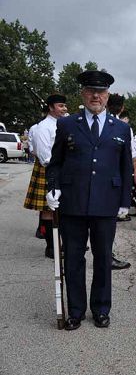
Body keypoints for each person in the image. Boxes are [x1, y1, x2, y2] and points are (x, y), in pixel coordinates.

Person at [46, 70, 133, 330]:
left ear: (107, 96)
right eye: (91, 91)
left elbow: (125, 166)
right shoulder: (67, 124)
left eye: (101, 92)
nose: (96, 96)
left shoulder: (122, 128)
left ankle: (101, 309)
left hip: (106, 203)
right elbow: (55, 164)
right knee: (73, 258)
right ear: (83, 94)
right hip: (73, 202)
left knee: (103, 257)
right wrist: (53, 187)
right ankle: (75, 311)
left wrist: (124, 201)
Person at [23, 94, 67, 258]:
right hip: (49, 169)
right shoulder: (43, 127)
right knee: (49, 210)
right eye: (60, 106)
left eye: (64, 106)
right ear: (51, 107)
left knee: (60, 209)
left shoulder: (62, 124)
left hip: (62, 169)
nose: (64, 109)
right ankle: (52, 247)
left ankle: (60, 244)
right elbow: (44, 155)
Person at [103, 94, 132, 270]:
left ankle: (107, 256)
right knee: (107, 227)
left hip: (112, 183)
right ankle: (107, 257)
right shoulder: (122, 127)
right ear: (121, 108)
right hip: (110, 183)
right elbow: (128, 160)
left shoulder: (121, 126)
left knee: (107, 226)